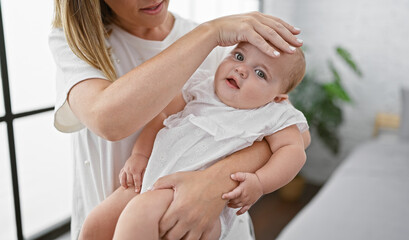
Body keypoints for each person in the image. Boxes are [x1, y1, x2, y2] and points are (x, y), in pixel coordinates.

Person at [49, 0, 306, 239]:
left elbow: (296, 139)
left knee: (139, 215)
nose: (242, 68)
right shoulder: (207, 68)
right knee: (94, 226)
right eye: (238, 57)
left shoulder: (267, 103)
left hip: (183, 201)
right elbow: (143, 118)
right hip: (144, 177)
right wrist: (140, 157)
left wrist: (230, 182)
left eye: (260, 73)